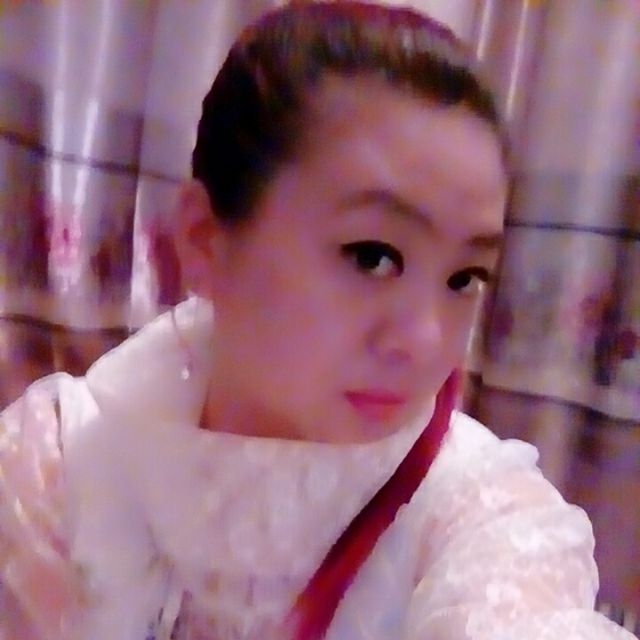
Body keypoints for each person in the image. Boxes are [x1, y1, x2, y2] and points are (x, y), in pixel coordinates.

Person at [0, 2, 636, 639]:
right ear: (202, 239)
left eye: (464, 278)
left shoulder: (481, 516)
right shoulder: (56, 466)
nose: (427, 342)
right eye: (372, 256)